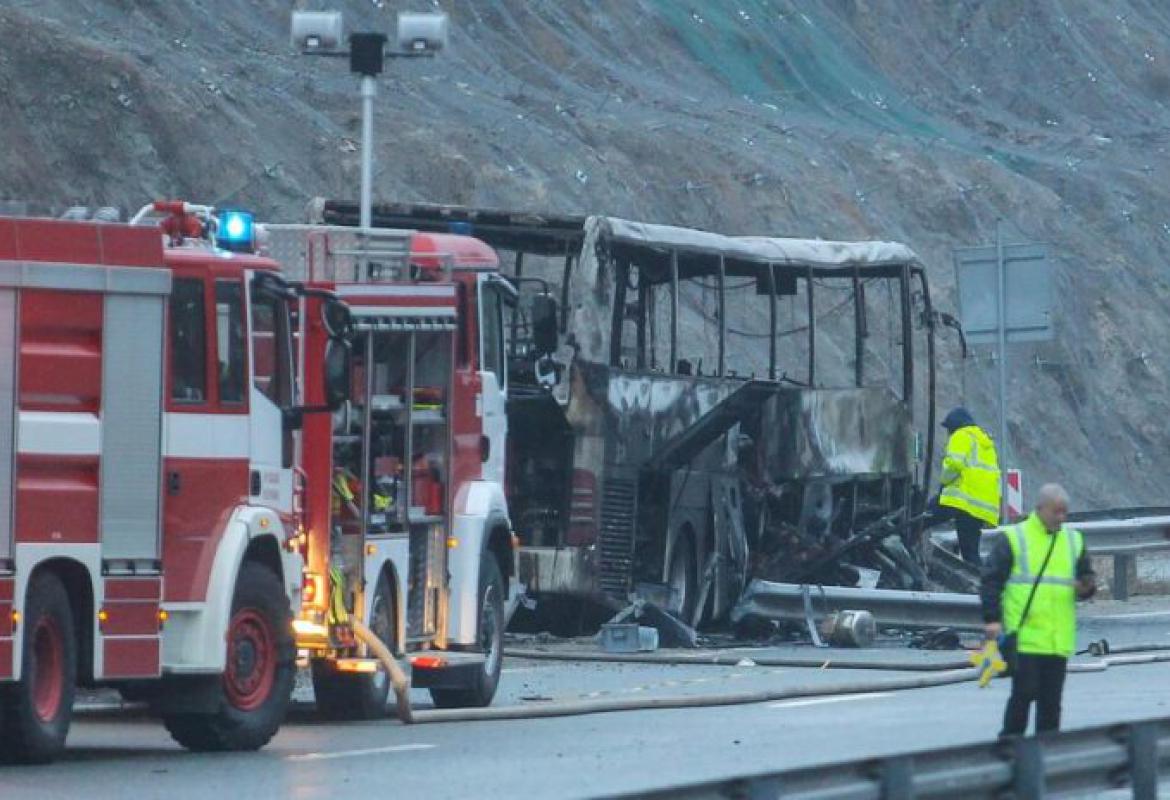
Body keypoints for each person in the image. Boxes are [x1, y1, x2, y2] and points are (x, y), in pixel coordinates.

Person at [981, 483, 1096, 738]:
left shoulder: (1073, 541)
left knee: (1051, 705)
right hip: (1025, 637)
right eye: (1056, 511)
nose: (1061, 517)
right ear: (1040, 508)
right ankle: (1011, 746)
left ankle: (1047, 753)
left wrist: (1086, 588)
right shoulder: (1015, 538)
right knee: (1024, 694)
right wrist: (992, 619)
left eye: (1065, 512)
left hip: (1057, 640)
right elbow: (991, 581)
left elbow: (1087, 579)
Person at [938, 407, 1001, 566]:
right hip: (981, 505)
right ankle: (979, 578)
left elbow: (954, 465)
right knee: (971, 552)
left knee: (925, 516)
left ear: (954, 426)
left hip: (962, 500)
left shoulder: (961, 435)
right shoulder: (983, 442)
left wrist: (943, 482)